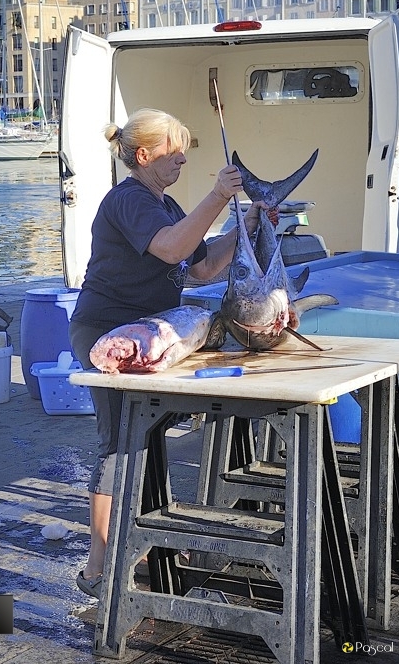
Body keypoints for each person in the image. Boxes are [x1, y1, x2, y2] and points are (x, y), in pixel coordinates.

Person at [69, 108, 271, 598]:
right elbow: (170, 248)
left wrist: (247, 222)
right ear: (143, 156)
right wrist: (219, 195)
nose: (183, 158)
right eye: (173, 151)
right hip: (107, 333)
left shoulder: (167, 203)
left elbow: (201, 267)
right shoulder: (129, 201)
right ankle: (98, 566)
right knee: (119, 440)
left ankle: (142, 544)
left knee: (146, 434)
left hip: (153, 331)